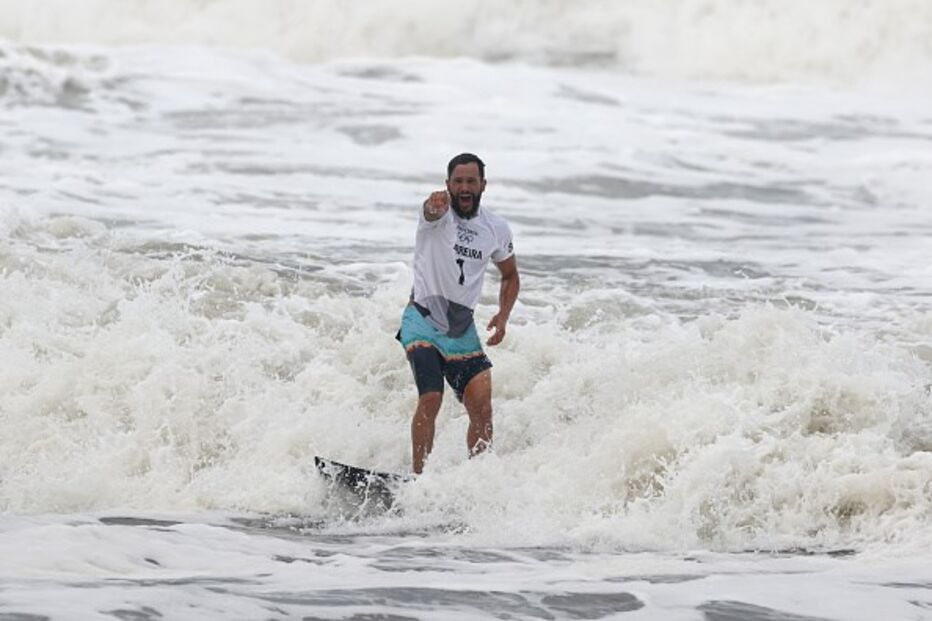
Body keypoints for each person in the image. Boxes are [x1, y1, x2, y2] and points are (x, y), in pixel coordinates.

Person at [397, 153, 520, 474]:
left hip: (461, 332)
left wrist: (503, 315)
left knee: (482, 408)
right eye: (458, 181)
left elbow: (510, 275)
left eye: (471, 181)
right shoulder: (436, 217)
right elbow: (430, 211)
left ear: (483, 185)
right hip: (421, 320)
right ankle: (418, 479)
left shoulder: (495, 228)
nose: (464, 188)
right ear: (448, 185)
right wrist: (433, 206)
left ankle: (477, 482)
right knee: (431, 397)